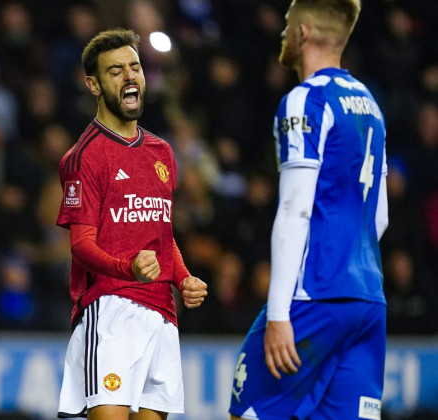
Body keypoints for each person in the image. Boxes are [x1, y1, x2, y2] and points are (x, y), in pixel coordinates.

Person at [228, 1, 389, 419]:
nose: (282, 32)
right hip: (368, 299)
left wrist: (280, 312)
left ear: (302, 32)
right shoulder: (370, 105)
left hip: (314, 295)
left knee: (247, 411)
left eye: (286, 23)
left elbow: (295, 210)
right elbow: (379, 217)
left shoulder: (305, 101)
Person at [55, 28, 208, 420]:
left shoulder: (161, 151)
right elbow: (80, 244)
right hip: (110, 310)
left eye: (135, 68)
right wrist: (130, 268)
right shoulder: (84, 156)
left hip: (163, 315)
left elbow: (161, 232)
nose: (129, 77)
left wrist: (183, 277)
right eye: (116, 71)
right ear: (93, 84)